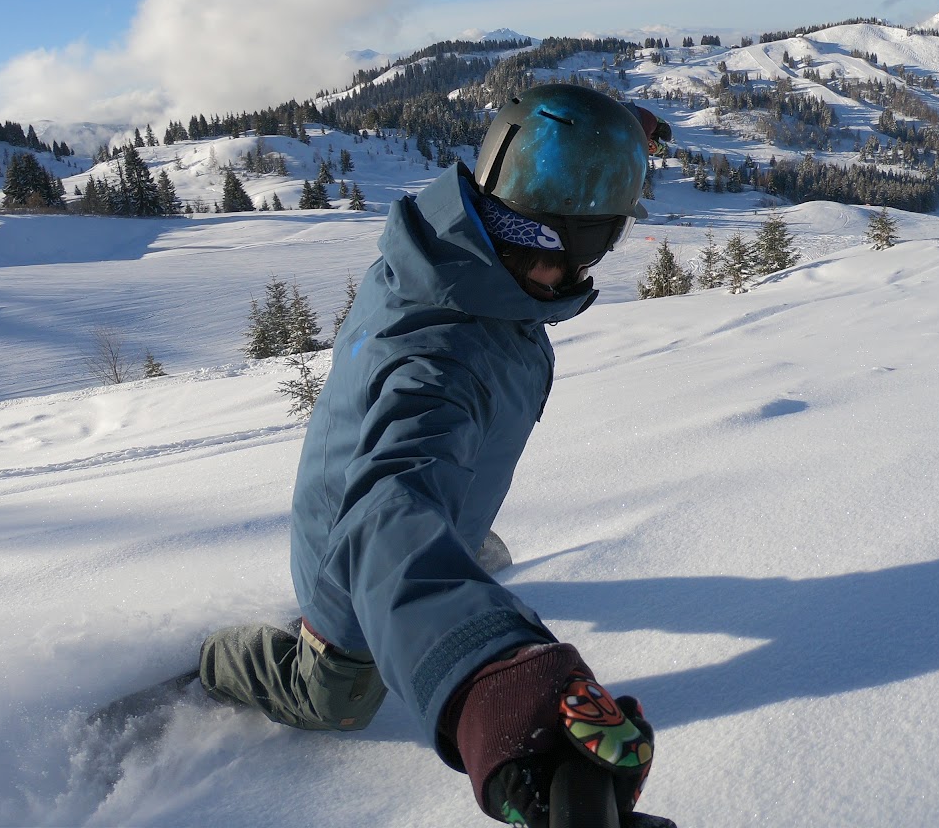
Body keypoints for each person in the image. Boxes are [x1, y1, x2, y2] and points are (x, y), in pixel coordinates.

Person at [200, 85, 670, 826]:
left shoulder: (463, 255)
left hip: (427, 495)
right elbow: (389, 511)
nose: (592, 268)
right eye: (596, 246)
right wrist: (495, 684)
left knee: (458, 541)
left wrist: (616, 143)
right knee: (339, 699)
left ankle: (457, 560)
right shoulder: (443, 359)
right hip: (357, 551)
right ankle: (217, 662)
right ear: (567, 242)